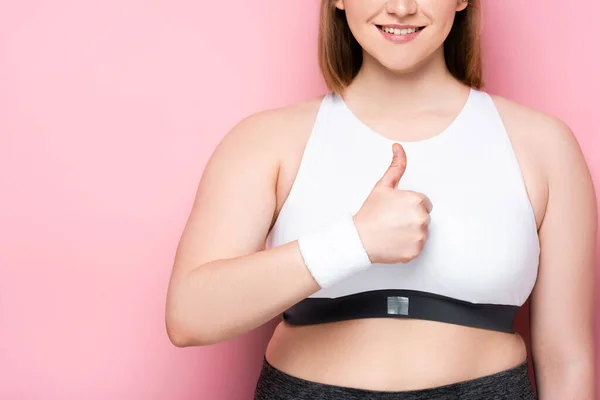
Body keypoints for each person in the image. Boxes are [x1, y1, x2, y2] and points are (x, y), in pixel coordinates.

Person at [165, 0, 597, 398]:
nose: (402, 7)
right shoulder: (265, 140)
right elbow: (190, 317)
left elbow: (566, 357)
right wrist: (354, 243)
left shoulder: (544, 145)